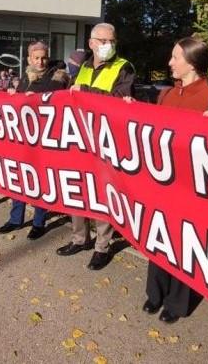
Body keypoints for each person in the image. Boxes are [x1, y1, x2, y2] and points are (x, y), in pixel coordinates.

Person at [136, 37, 208, 324]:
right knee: (158, 238)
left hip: (192, 190)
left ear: (192, 62)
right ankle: (156, 293)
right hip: (162, 184)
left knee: (184, 243)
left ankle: (177, 302)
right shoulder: (166, 95)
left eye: (175, 57)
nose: (169, 62)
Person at [56, 23, 135, 271]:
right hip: (80, 138)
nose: (108, 45)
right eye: (103, 41)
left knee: (102, 195)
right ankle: (80, 239)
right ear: (91, 43)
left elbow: (121, 100)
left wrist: (86, 91)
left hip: (106, 141)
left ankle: (102, 246)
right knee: (78, 189)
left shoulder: (124, 67)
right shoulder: (84, 67)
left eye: (112, 41)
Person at [0, 41, 70, 240]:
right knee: (19, 178)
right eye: (36, 58)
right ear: (29, 59)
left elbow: (52, 93)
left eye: (43, 57)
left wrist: (32, 96)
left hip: (45, 139)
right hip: (24, 137)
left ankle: (38, 222)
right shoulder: (24, 77)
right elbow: (18, 102)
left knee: (40, 181)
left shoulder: (58, 74)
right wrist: (14, 95)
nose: (40, 61)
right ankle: (15, 219)